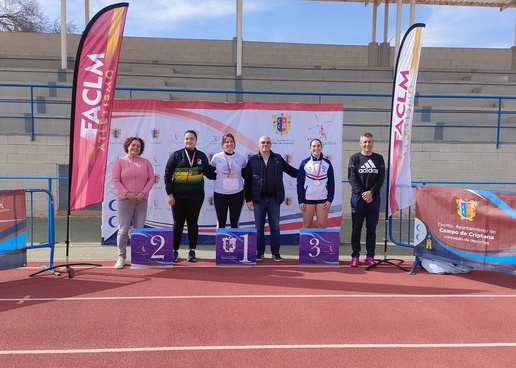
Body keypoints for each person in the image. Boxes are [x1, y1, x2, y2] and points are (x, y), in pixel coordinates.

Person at [243, 135, 298, 262]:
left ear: (271, 144)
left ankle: (276, 253)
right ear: (258, 144)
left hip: (274, 200)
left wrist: (306, 173)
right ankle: (260, 253)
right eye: (263, 142)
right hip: (258, 200)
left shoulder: (277, 159)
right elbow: (248, 182)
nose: (265, 144)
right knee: (259, 228)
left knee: (275, 228)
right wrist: (248, 199)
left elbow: (290, 171)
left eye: (268, 142)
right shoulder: (252, 161)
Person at [164, 130, 216, 262]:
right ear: (184, 140)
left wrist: (224, 169)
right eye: (187, 138)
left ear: (196, 140)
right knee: (178, 224)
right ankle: (174, 251)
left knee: (193, 223)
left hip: (196, 196)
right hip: (178, 196)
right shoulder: (176, 155)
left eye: (191, 138)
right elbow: (167, 175)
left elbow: (210, 174)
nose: (189, 141)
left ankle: (192, 251)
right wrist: (169, 194)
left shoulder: (201, 156)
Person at [111, 136, 155, 269]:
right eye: (133, 145)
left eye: (138, 146)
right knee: (123, 229)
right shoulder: (120, 162)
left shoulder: (146, 162)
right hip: (125, 200)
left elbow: (151, 179)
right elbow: (115, 180)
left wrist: (143, 193)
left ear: (141, 149)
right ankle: (121, 256)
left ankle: (138, 256)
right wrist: (127, 194)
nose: (135, 147)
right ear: (127, 146)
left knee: (139, 229)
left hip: (141, 200)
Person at [348, 132, 385, 267]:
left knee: (372, 229)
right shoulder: (354, 158)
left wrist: (371, 192)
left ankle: (370, 256)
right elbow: (352, 179)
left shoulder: (379, 159)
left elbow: (381, 178)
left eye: (369, 142)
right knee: (356, 229)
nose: (367, 144)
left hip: (374, 199)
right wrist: (363, 193)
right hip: (358, 198)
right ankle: (355, 255)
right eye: (365, 142)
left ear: (372, 143)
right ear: (360, 143)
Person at [210, 133, 246, 228]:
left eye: (231, 141)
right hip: (220, 193)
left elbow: (245, 174)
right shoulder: (216, 157)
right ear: (222, 144)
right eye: (227, 142)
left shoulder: (241, 158)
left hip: (237, 193)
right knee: (221, 222)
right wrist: (218, 177)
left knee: (235, 222)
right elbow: (209, 173)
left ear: (234, 144)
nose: (229, 144)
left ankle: (234, 242)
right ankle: (221, 242)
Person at [297, 138, 335, 228]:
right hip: (308, 198)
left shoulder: (327, 163)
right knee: (307, 225)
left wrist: (329, 199)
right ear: (310, 148)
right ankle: (305, 243)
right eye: (314, 146)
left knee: (322, 225)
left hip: (323, 199)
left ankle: (321, 243)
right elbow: (299, 183)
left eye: (318, 146)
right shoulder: (304, 163)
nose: (316, 148)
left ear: (321, 148)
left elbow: (331, 183)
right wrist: (301, 200)